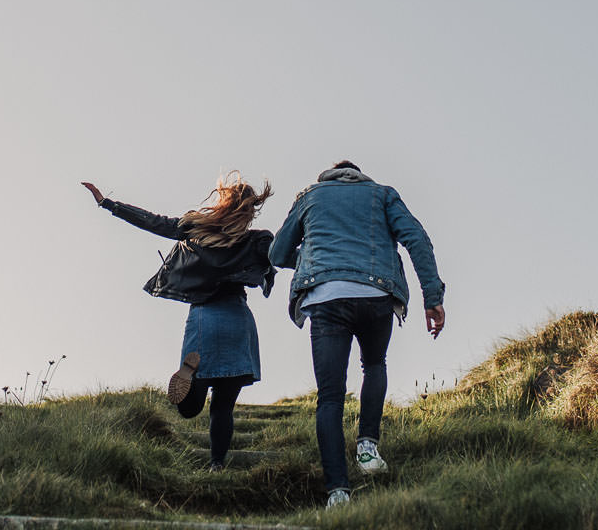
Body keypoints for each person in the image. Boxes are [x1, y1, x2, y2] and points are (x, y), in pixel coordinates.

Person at [269, 161, 445, 508]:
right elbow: (417, 240)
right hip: (376, 294)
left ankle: (338, 491)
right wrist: (433, 298)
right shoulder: (382, 194)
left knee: (330, 396)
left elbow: (277, 253)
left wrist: (311, 258)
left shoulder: (310, 196)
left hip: (326, 298)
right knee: (374, 364)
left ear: (328, 177)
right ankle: (367, 445)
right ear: (360, 175)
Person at [82, 173, 276, 470]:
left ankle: (191, 378)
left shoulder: (195, 228)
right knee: (223, 405)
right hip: (237, 318)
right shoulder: (257, 240)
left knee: (189, 408)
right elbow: (285, 255)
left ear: (222, 203)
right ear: (250, 211)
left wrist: (108, 203)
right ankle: (217, 464)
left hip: (203, 317)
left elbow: (153, 221)